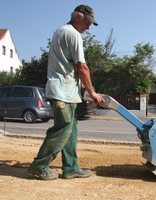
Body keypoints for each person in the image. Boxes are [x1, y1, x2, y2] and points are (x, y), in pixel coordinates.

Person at [28, 4, 104, 180]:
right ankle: (39, 166)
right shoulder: (73, 34)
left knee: (71, 131)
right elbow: (82, 67)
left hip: (67, 91)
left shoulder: (60, 31)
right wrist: (92, 92)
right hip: (63, 91)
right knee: (62, 129)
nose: (89, 26)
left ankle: (71, 168)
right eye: (87, 22)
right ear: (78, 16)